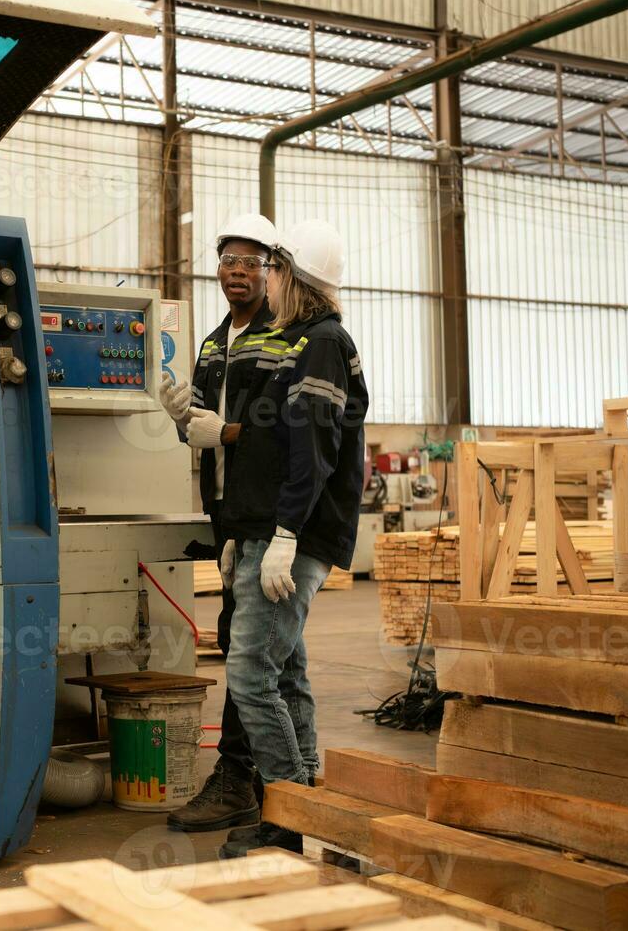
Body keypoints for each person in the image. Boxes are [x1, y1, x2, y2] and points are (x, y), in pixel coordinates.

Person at [181, 219, 369, 856]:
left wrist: (284, 533)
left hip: (297, 530)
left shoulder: (319, 343)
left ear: (295, 279)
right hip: (266, 525)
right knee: (285, 670)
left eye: (273, 269)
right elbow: (270, 440)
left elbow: (312, 449)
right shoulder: (306, 340)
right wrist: (243, 525)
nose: (264, 279)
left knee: (250, 669)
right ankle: (308, 797)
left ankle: (288, 813)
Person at [157, 212, 285, 833]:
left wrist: (226, 431)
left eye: (251, 263)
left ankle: (241, 780)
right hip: (226, 516)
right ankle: (281, 780)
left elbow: (290, 431)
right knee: (263, 653)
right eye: (229, 261)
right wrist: (181, 417)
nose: (238, 273)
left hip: (265, 516)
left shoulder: (287, 338)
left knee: (247, 654)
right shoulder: (211, 343)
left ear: (271, 270)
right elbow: (202, 429)